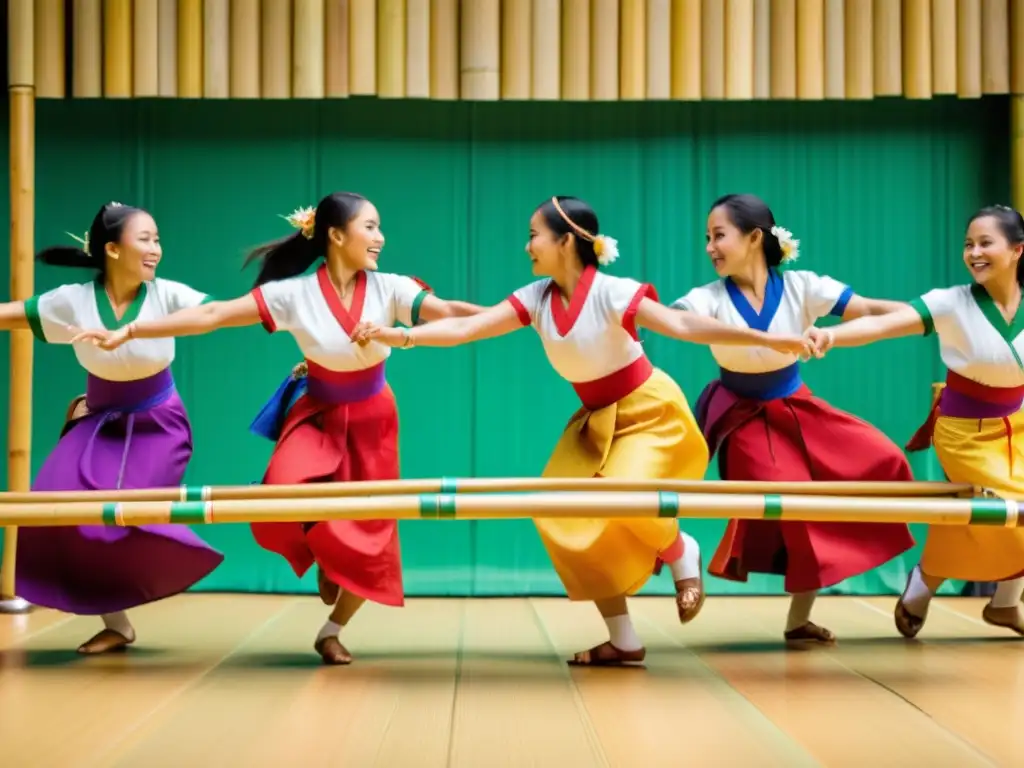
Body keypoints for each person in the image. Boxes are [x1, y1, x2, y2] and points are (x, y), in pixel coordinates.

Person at [350, 195, 814, 666]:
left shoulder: (613, 292)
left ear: (566, 241)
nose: (527, 246)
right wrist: (402, 336)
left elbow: (681, 324)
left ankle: (680, 549)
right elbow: (469, 329)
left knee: (623, 493)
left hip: (648, 413)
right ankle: (624, 638)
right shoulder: (535, 299)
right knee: (563, 516)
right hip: (595, 423)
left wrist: (768, 339)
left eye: (534, 235)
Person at [72, 192, 485, 664]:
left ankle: (332, 630)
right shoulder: (293, 293)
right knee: (281, 492)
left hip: (373, 417)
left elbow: (448, 312)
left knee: (374, 531)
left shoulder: (391, 287)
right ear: (335, 235)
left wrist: (516, 314)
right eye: (370, 227)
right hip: (317, 410)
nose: (379, 237)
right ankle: (327, 553)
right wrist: (133, 330)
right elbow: (213, 314)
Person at [669, 193, 916, 646]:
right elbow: (681, 324)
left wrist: (919, 313)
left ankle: (799, 620)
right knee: (791, 498)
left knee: (881, 459)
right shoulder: (706, 298)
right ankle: (685, 557)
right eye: (707, 238)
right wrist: (765, 338)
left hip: (796, 405)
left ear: (755, 237)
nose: (710, 247)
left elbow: (866, 309)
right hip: (742, 415)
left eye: (718, 235)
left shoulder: (803, 285)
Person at [0, 202, 224, 654]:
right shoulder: (73, 302)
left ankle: (160, 569)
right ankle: (118, 625)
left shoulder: (167, 295)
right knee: (56, 507)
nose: (155, 249)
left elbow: (213, 314)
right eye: (145, 239)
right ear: (111, 249)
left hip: (158, 423)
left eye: (157, 239)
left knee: (124, 513)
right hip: (98, 422)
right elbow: (9, 315)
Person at [805, 204, 1024, 638]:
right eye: (968, 244)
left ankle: (966, 594)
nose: (974, 253)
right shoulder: (950, 302)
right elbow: (885, 325)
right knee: (1010, 511)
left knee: (982, 518)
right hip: (966, 435)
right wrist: (831, 335)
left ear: (1018, 250)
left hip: (1018, 428)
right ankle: (976, 594)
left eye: (985, 243)